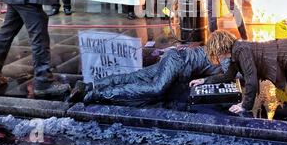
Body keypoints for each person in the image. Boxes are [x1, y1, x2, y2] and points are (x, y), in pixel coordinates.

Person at [68, 46, 229, 106]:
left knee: (135, 77)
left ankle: (90, 85)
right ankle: (96, 94)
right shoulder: (232, 56)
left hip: (174, 58)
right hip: (177, 63)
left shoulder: (225, 48)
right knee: (156, 89)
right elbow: (231, 75)